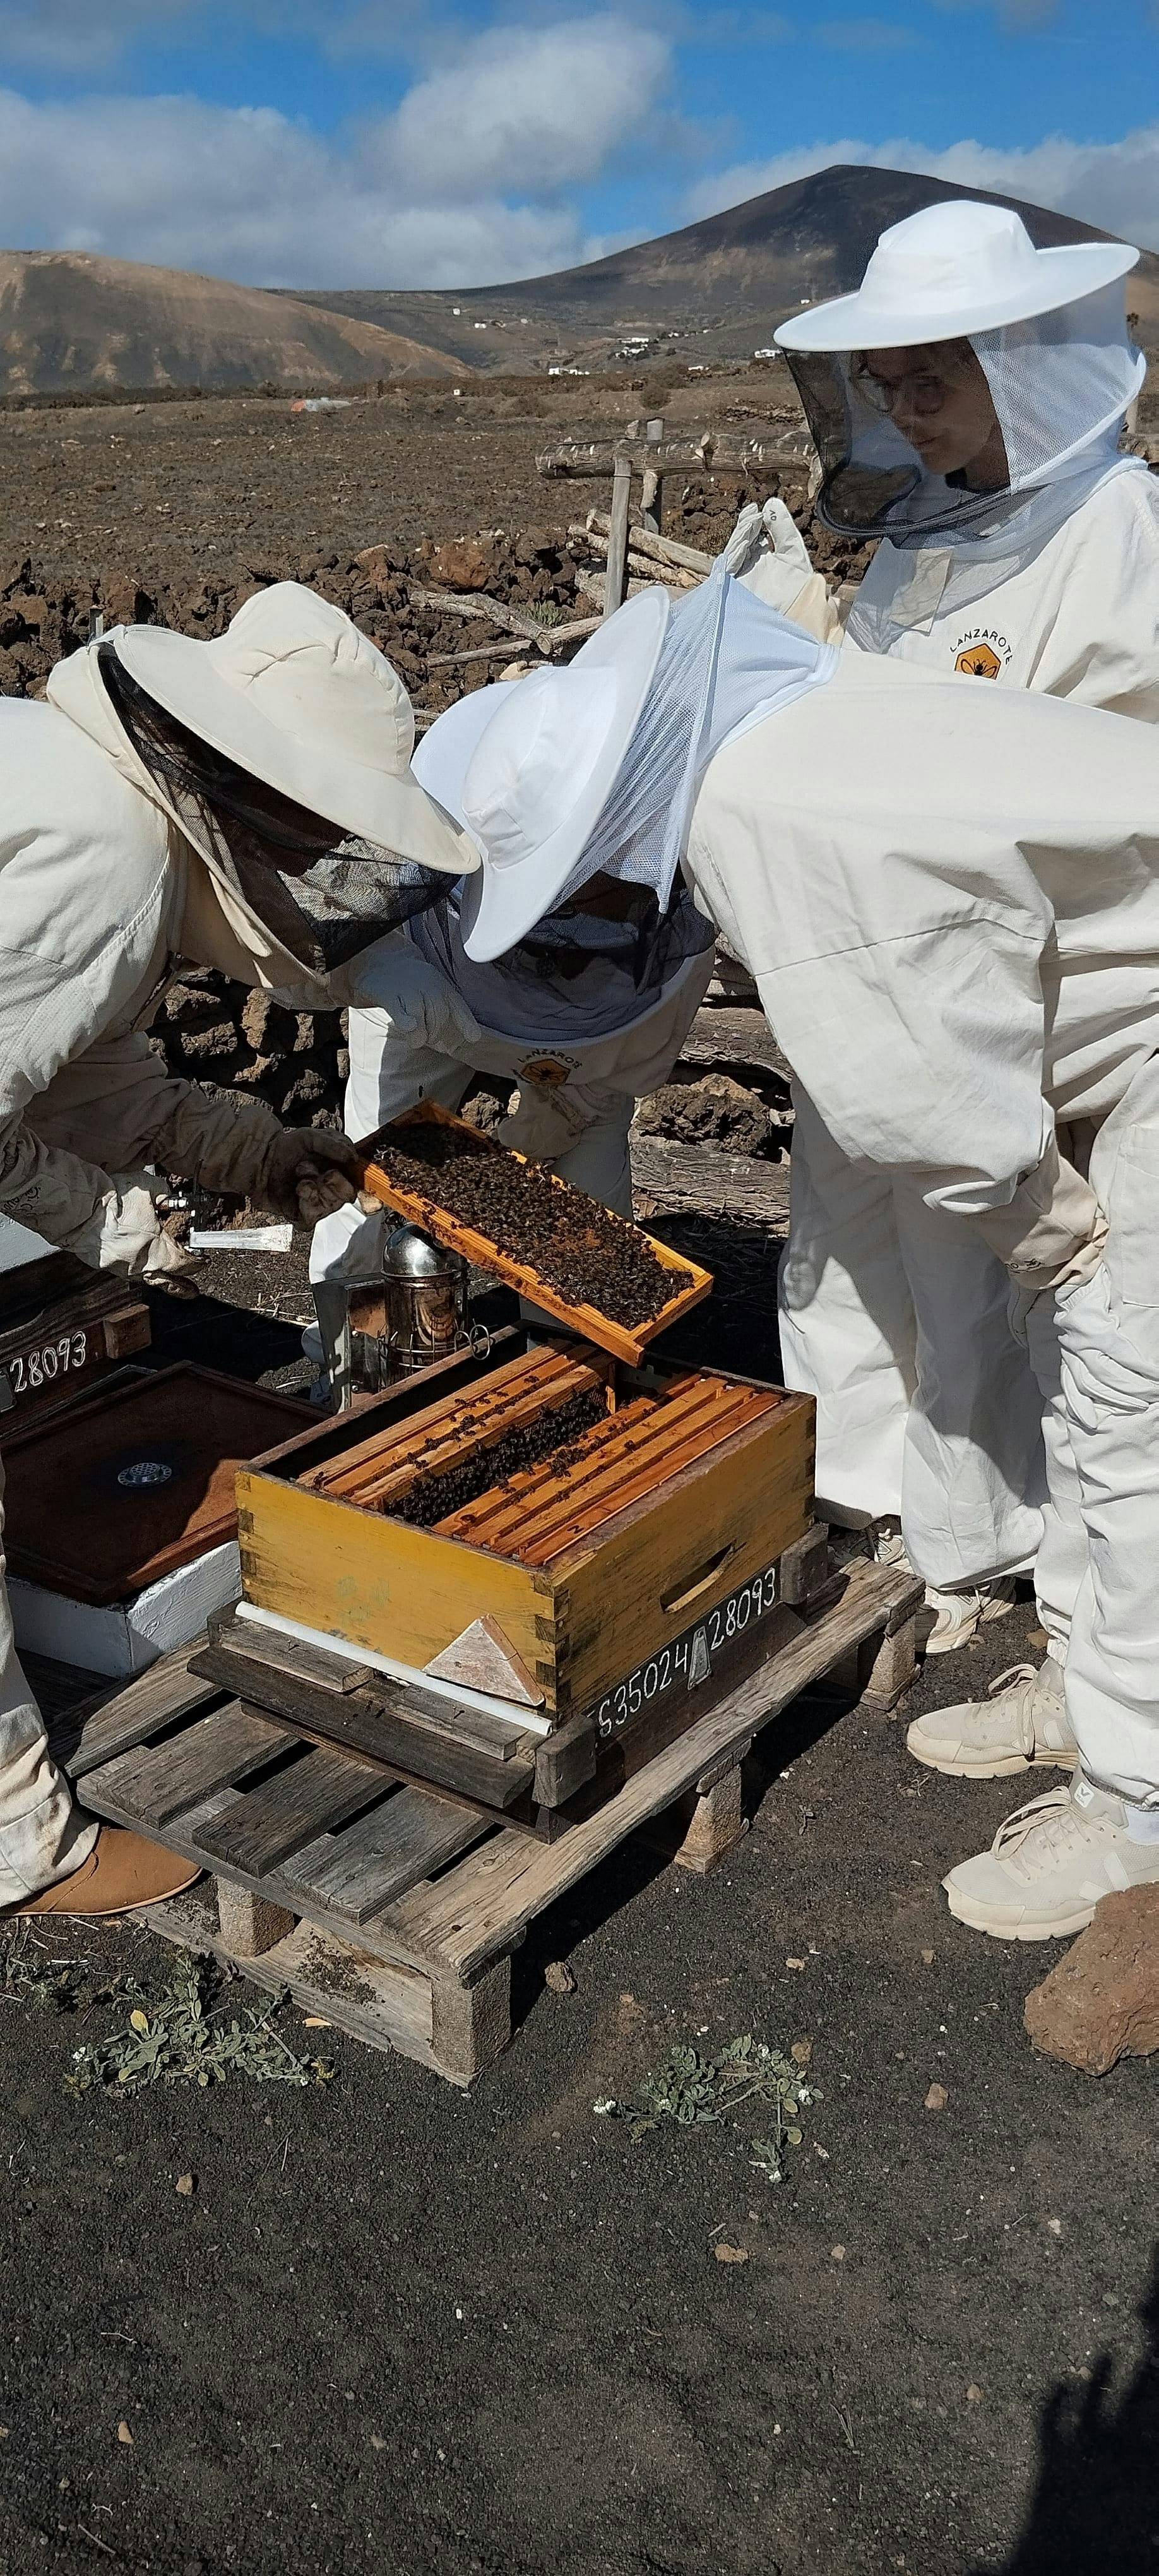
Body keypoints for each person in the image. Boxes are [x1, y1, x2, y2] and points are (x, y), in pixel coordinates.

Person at [453, 572, 1159, 1940]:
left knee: (1132, 1413)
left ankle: (1137, 1822)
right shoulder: (792, 728)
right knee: (1095, 1396)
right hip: (1127, 1018)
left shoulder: (772, 827)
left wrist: (1065, 1249)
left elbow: (923, 1107)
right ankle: (1099, 1692)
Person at [0, 580, 478, 1920]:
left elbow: (90, 1083)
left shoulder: (87, 814)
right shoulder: (98, 850)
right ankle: (25, 1859)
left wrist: (255, 1152)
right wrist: (115, 1228)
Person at [770, 198, 1158, 1675]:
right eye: (888, 387)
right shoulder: (911, 549)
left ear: (1025, 361)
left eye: (935, 379)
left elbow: (1120, 787)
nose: (907, 415)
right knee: (848, 1244)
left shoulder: (1120, 538)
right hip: (865, 983)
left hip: (1007, 998)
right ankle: (869, 1509)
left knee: (973, 1278)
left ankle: (995, 1547)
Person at [309, 525, 838, 1386]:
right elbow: (350, 1010)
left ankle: (576, 1378)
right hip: (443, 993)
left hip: (602, 1032)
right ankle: (355, 1378)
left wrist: (546, 1128)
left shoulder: (665, 891)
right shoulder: (420, 928)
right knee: (380, 1195)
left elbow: (601, 1093)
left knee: (588, 1225)